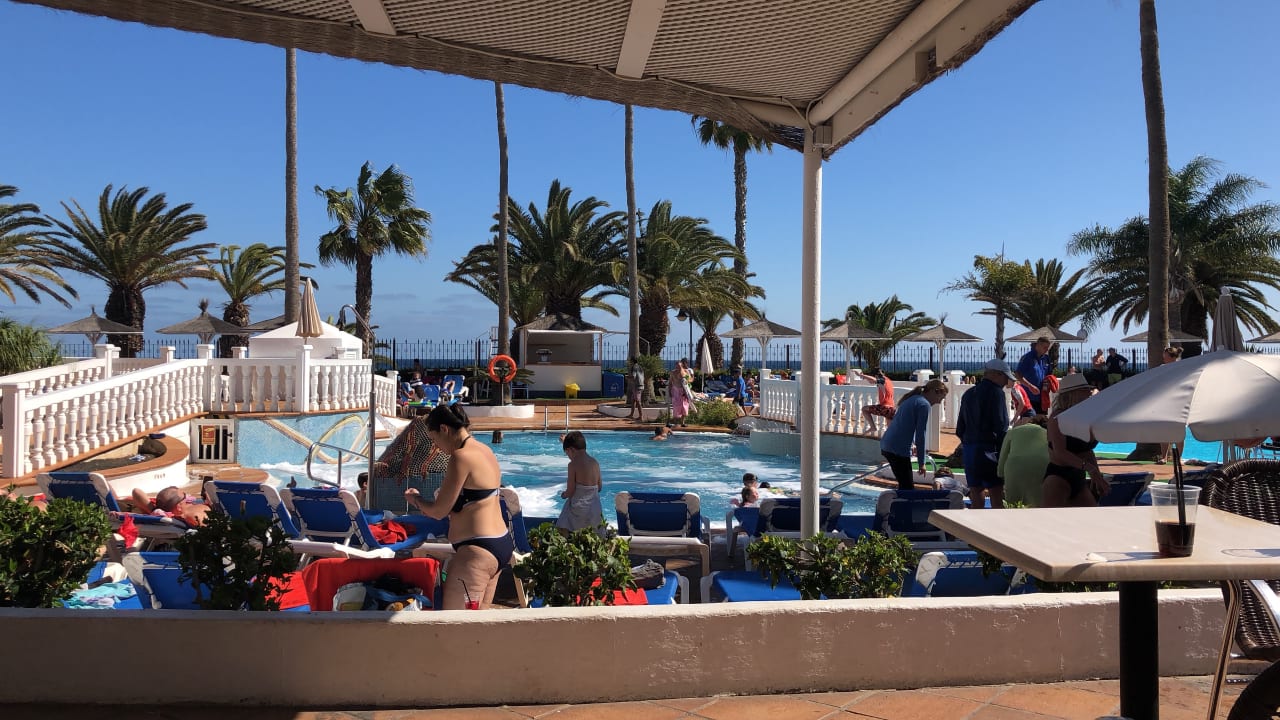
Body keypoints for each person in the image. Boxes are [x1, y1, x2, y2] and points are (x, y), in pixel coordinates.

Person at [403, 404, 511, 610]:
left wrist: (415, 499)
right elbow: (473, 499)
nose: (436, 447)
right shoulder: (485, 450)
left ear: (444, 429)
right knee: (479, 623)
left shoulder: (461, 456)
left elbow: (438, 512)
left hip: (477, 552)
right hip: (499, 543)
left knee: (456, 624)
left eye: (434, 439)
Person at [1041, 373, 1110, 508]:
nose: (1089, 393)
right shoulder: (1057, 418)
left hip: (1078, 475)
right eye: (1085, 390)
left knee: (1092, 516)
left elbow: (1087, 451)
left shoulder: (1084, 417)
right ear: (1073, 394)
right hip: (1059, 475)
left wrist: (1097, 475)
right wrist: (1090, 469)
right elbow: (1060, 452)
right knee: (1049, 518)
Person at [956, 359, 1016, 509]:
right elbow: (1001, 425)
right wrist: (1004, 452)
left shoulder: (969, 393)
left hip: (970, 449)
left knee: (976, 492)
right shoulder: (997, 393)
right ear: (997, 374)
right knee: (996, 494)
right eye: (1005, 377)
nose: (1006, 382)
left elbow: (960, 428)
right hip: (990, 450)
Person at [879, 379, 949, 491]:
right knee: (908, 488)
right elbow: (921, 434)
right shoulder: (924, 404)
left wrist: (911, 444)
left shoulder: (913, 399)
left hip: (887, 444)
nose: (940, 402)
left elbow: (905, 424)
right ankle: (898, 502)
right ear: (935, 391)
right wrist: (922, 462)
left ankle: (898, 500)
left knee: (905, 485)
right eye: (941, 398)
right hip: (897, 448)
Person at [372, 407, 451, 502]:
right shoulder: (457, 446)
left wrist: (379, 468)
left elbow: (396, 451)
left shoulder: (421, 424)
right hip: (440, 483)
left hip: (414, 484)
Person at [555, 431, 604, 532]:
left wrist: (564, 495)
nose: (568, 456)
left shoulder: (572, 465)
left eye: (567, 453)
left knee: (563, 521)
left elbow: (571, 491)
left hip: (579, 510)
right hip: (595, 509)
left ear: (571, 450)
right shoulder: (595, 462)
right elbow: (599, 487)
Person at [997, 415, 1050, 507]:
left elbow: (1003, 455)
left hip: (1014, 469)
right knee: (1038, 505)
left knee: (1013, 505)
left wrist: (1000, 473)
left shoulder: (1013, 432)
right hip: (1042, 467)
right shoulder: (1048, 433)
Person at [129, 485, 210, 527]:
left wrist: (153, 509)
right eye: (185, 496)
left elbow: (136, 491)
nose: (188, 497)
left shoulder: (158, 512)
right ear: (179, 507)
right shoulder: (193, 515)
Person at [1155, 346, 1184, 463]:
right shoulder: (1162, 368)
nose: (1163, 358)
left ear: (1172, 357)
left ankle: (1179, 458)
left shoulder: (1181, 367)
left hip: (1178, 402)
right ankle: (1164, 457)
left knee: (1178, 430)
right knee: (1163, 430)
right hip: (1164, 401)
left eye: (1165, 356)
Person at [1015, 337, 1052, 412]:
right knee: (1030, 418)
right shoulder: (1028, 358)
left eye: (1048, 348)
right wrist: (1030, 386)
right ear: (1038, 346)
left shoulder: (1046, 359)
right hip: (1029, 397)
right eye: (1045, 347)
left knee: (1042, 418)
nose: (1047, 350)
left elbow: (1049, 375)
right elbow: (1018, 375)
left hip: (1042, 398)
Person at [858, 368, 896, 437]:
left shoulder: (882, 380)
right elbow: (872, 381)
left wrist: (861, 375)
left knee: (864, 409)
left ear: (876, 376)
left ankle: (873, 427)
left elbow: (873, 380)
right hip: (891, 409)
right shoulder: (888, 381)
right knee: (890, 429)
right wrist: (866, 378)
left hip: (885, 408)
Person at [669, 359, 693, 427]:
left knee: (684, 406)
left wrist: (687, 380)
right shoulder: (673, 372)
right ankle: (675, 422)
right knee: (676, 406)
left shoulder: (686, 371)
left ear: (681, 365)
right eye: (677, 366)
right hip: (676, 391)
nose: (678, 367)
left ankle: (682, 422)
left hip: (684, 391)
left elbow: (690, 380)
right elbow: (670, 382)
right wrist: (669, 391)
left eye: (679, 366)